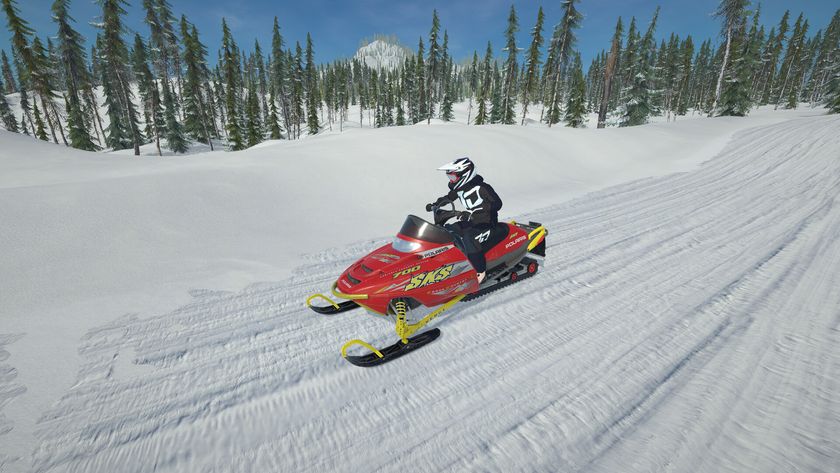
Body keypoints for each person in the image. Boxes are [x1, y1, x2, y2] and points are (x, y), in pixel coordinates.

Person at [426, 157, 503, 284]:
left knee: (469, 238)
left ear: (465, 174)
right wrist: (436, 204)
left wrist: (475, 212)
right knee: (448, 231)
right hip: (472, 221)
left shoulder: (482, 187)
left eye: (453, 177)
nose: (451, 181)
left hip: (487, 223)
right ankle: (448, 265)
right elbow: (449, 197)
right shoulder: (460, 188)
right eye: (450, 178)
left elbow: (497, 204)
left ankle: (480, 272)